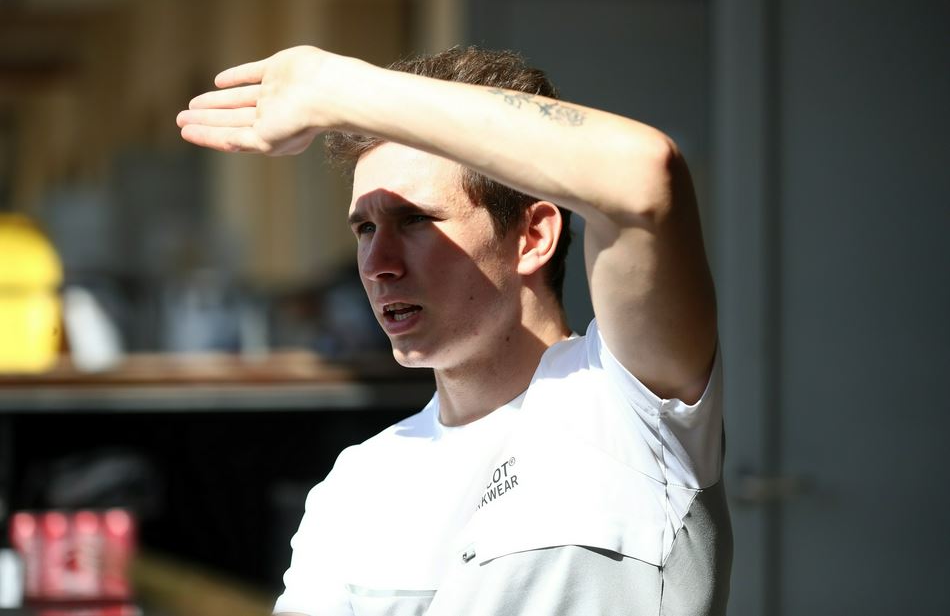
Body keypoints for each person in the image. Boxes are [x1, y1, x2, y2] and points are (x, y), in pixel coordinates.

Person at [177, 44, 731, 615]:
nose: (377, 263)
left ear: (533, 237)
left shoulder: (628, 406)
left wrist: (337, 90)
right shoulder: (360, 481)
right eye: (365, 229)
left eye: (415, 220)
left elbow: (642, 173)